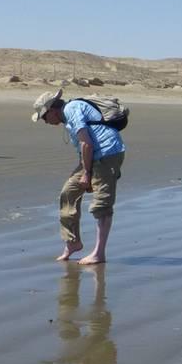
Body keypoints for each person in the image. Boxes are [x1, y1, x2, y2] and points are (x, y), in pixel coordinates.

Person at [33, 88, 125, 265]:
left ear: (52, 110)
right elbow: (83, 147)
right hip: (93, 156)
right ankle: (73, 242)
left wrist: (87, 173)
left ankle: (99, 253)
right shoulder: (68, 117)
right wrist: (85, 171)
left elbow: (86, 143)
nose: (45, 122)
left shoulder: (72, 109)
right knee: (69, 192)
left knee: (101, 205)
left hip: (108, 153)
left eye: (44, 117)